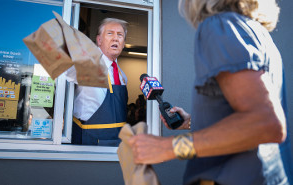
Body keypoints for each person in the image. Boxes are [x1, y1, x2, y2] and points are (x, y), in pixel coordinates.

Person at [128, 0, 291, 184]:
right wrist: (191, 122)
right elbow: (247, 116)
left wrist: (167, 148)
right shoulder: (257, 33)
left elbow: (265, 123)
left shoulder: (220, 26)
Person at [66, 18, 128, 146]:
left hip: (116, 144)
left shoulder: (122, 76)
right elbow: (63, 72)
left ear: (124, 43)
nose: (115, 38)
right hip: (88, 142)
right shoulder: (87, 64)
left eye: (120, 35)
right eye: (110, 33)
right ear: (99, 40)